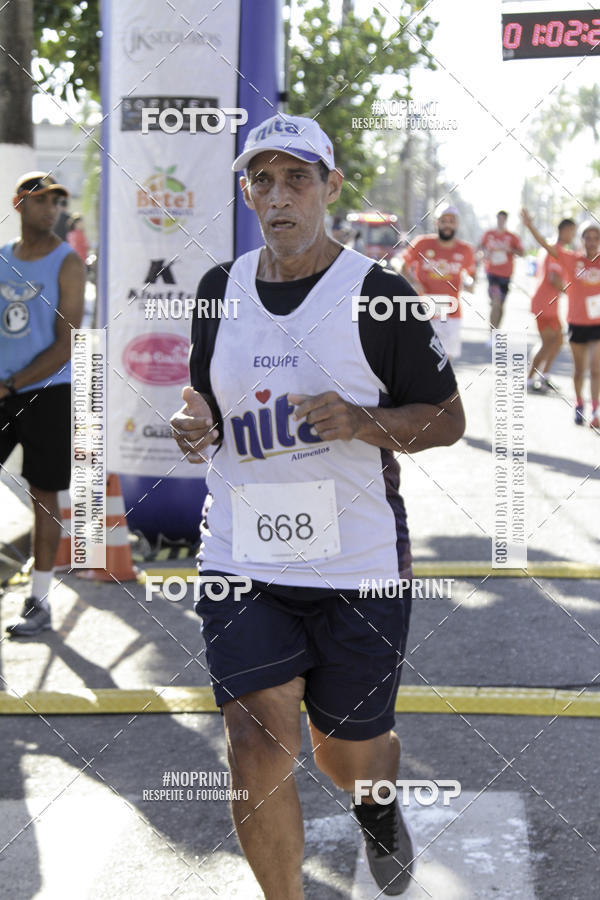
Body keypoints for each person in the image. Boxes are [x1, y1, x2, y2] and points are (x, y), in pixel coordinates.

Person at [170, 113, 466, 898]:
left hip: (356, 564)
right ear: (247, 193)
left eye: (297, 178)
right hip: (243, 557)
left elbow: (448, 418)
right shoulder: (217, 290)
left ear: (330, 188)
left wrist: (366, 421)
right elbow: (206, 390)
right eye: (261, 180)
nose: (278, 196)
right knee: (254, 737)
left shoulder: (379, 296)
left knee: (347, 754)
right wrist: (193, 417)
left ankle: (376, 808)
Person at [0, 172, 86, 635]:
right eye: (41, 201)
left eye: (56, 201)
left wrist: (11, 385)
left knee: (44, 495)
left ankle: (38, 600)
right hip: (3, 388)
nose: (50, 209)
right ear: (19, 204)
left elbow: (65, 344)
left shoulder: (68, 263)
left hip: (48, 391)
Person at [522, 209, 600, 427]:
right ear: (582, 240)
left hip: (597, 324)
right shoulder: (571, 259)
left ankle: (596, 409)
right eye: (588, 238)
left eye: (596, 238)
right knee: (579, 370)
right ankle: (579, 404)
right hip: (577, 323)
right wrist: (529, 226)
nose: (592, 242)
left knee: (596, 368)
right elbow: (547, 247)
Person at [400, 206, 476, 361]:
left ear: (457, 224)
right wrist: (412, 282)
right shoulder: (422, 243)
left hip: (450, 312)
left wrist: (470, 282)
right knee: (418, 359)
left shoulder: (465, 250)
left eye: (451, 221)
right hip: (423, 309)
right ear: (437, 223)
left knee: (445, 362)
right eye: (443, 221)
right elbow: (401, 264)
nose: (447, 225)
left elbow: (471, 275)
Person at [527, 218, 576, 393]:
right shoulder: (554, 250)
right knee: (548, 342)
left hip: (549, 304)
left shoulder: (552, 248)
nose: (573, 235)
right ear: (563, 230)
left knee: (557, 341)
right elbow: (555, 279)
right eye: (572, 231)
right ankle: (529, 379)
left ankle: (544, 376)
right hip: (544, 303)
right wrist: (574, 293)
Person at [479, 211, 523, 334]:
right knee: (496, 301)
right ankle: (492, 333)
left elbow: (521, 252)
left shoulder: (512, 236)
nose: (501, 221)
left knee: (500, 304)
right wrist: (484, 253)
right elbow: (481, 247)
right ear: (497, 219)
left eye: (503, 219)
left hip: (506, 274)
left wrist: (510, 250)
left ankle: (496, 328)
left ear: (506, 220)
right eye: (499, 219)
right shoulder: (489, 234)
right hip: (492, 273)